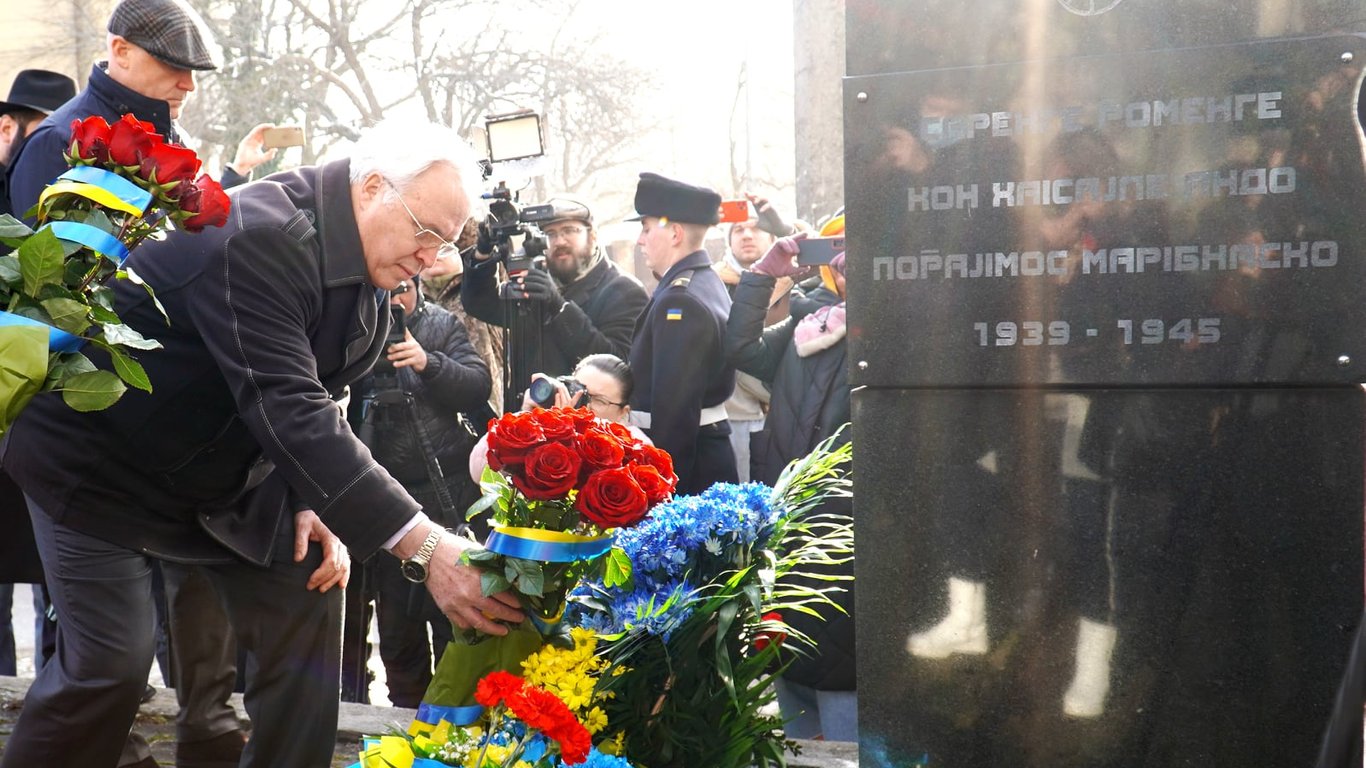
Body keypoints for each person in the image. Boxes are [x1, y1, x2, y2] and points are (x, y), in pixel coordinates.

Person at [0, 118, 525, 768]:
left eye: (444, 243)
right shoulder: (262, 235)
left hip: (221, 463)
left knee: (312, 582)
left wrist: (312, 498)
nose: (429, 257)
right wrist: (427, 546)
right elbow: (288, 404)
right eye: (425, 232)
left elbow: (318, 389)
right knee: (109, 666)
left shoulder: (369, 257)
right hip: (99, 460)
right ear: (371, 188)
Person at [3, 5, 288, 766]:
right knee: (102, 654)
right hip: (87, 428)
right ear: (119, 50)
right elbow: (44, 297)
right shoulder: (61, 140)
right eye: (173, 66)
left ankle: (185, 740)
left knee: (176, 639)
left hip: (167, 427)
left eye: (194, 72)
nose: (187, 84)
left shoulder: (172, 145)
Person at [725, 235, 854, 741]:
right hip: (788, 521)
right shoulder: (811, 325)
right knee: (787, 652)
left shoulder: (900, 332)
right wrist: (762, 276)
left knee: (840, 662)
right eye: (839, 256)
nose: (844, 266)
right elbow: (740, 349)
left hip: (846, 531)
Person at [343, 276, 491, 707]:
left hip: (447, 493)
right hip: (385, 502)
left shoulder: (440, 324)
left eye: (405, 289)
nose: (395, 300)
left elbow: (477, 385)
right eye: (387, 291)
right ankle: (406, 717)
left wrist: (429, 362)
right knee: (397, 633)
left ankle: (451, 718)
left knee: (452, 624)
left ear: (419, 289)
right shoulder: (355, 329)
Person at [462, 197, 648, 411]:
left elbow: (618, 366)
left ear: (593, 235)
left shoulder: (624, 290)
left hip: (583, 421)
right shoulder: (534, 281)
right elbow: (479, 304)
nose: (559, 241)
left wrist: (559, 307)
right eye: (550, 233)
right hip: (527, 416)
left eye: (570, 230)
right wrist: (483, 253)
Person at [627, 172, 738, 495]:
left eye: (647, 228)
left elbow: (674, 416)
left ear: (675, 233)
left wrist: (661, 493)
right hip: (704, 455)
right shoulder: (700, 281)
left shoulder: (680, 301)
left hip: (690, 467)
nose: (640, 240)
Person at [468, 353, 649, 482]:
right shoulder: (541, 421)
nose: (583, 404)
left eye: (599, 400)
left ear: (623, 412)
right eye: (577, 390)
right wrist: (525, 418)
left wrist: (568, 435)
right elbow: (479, 474)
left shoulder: (636, 445)